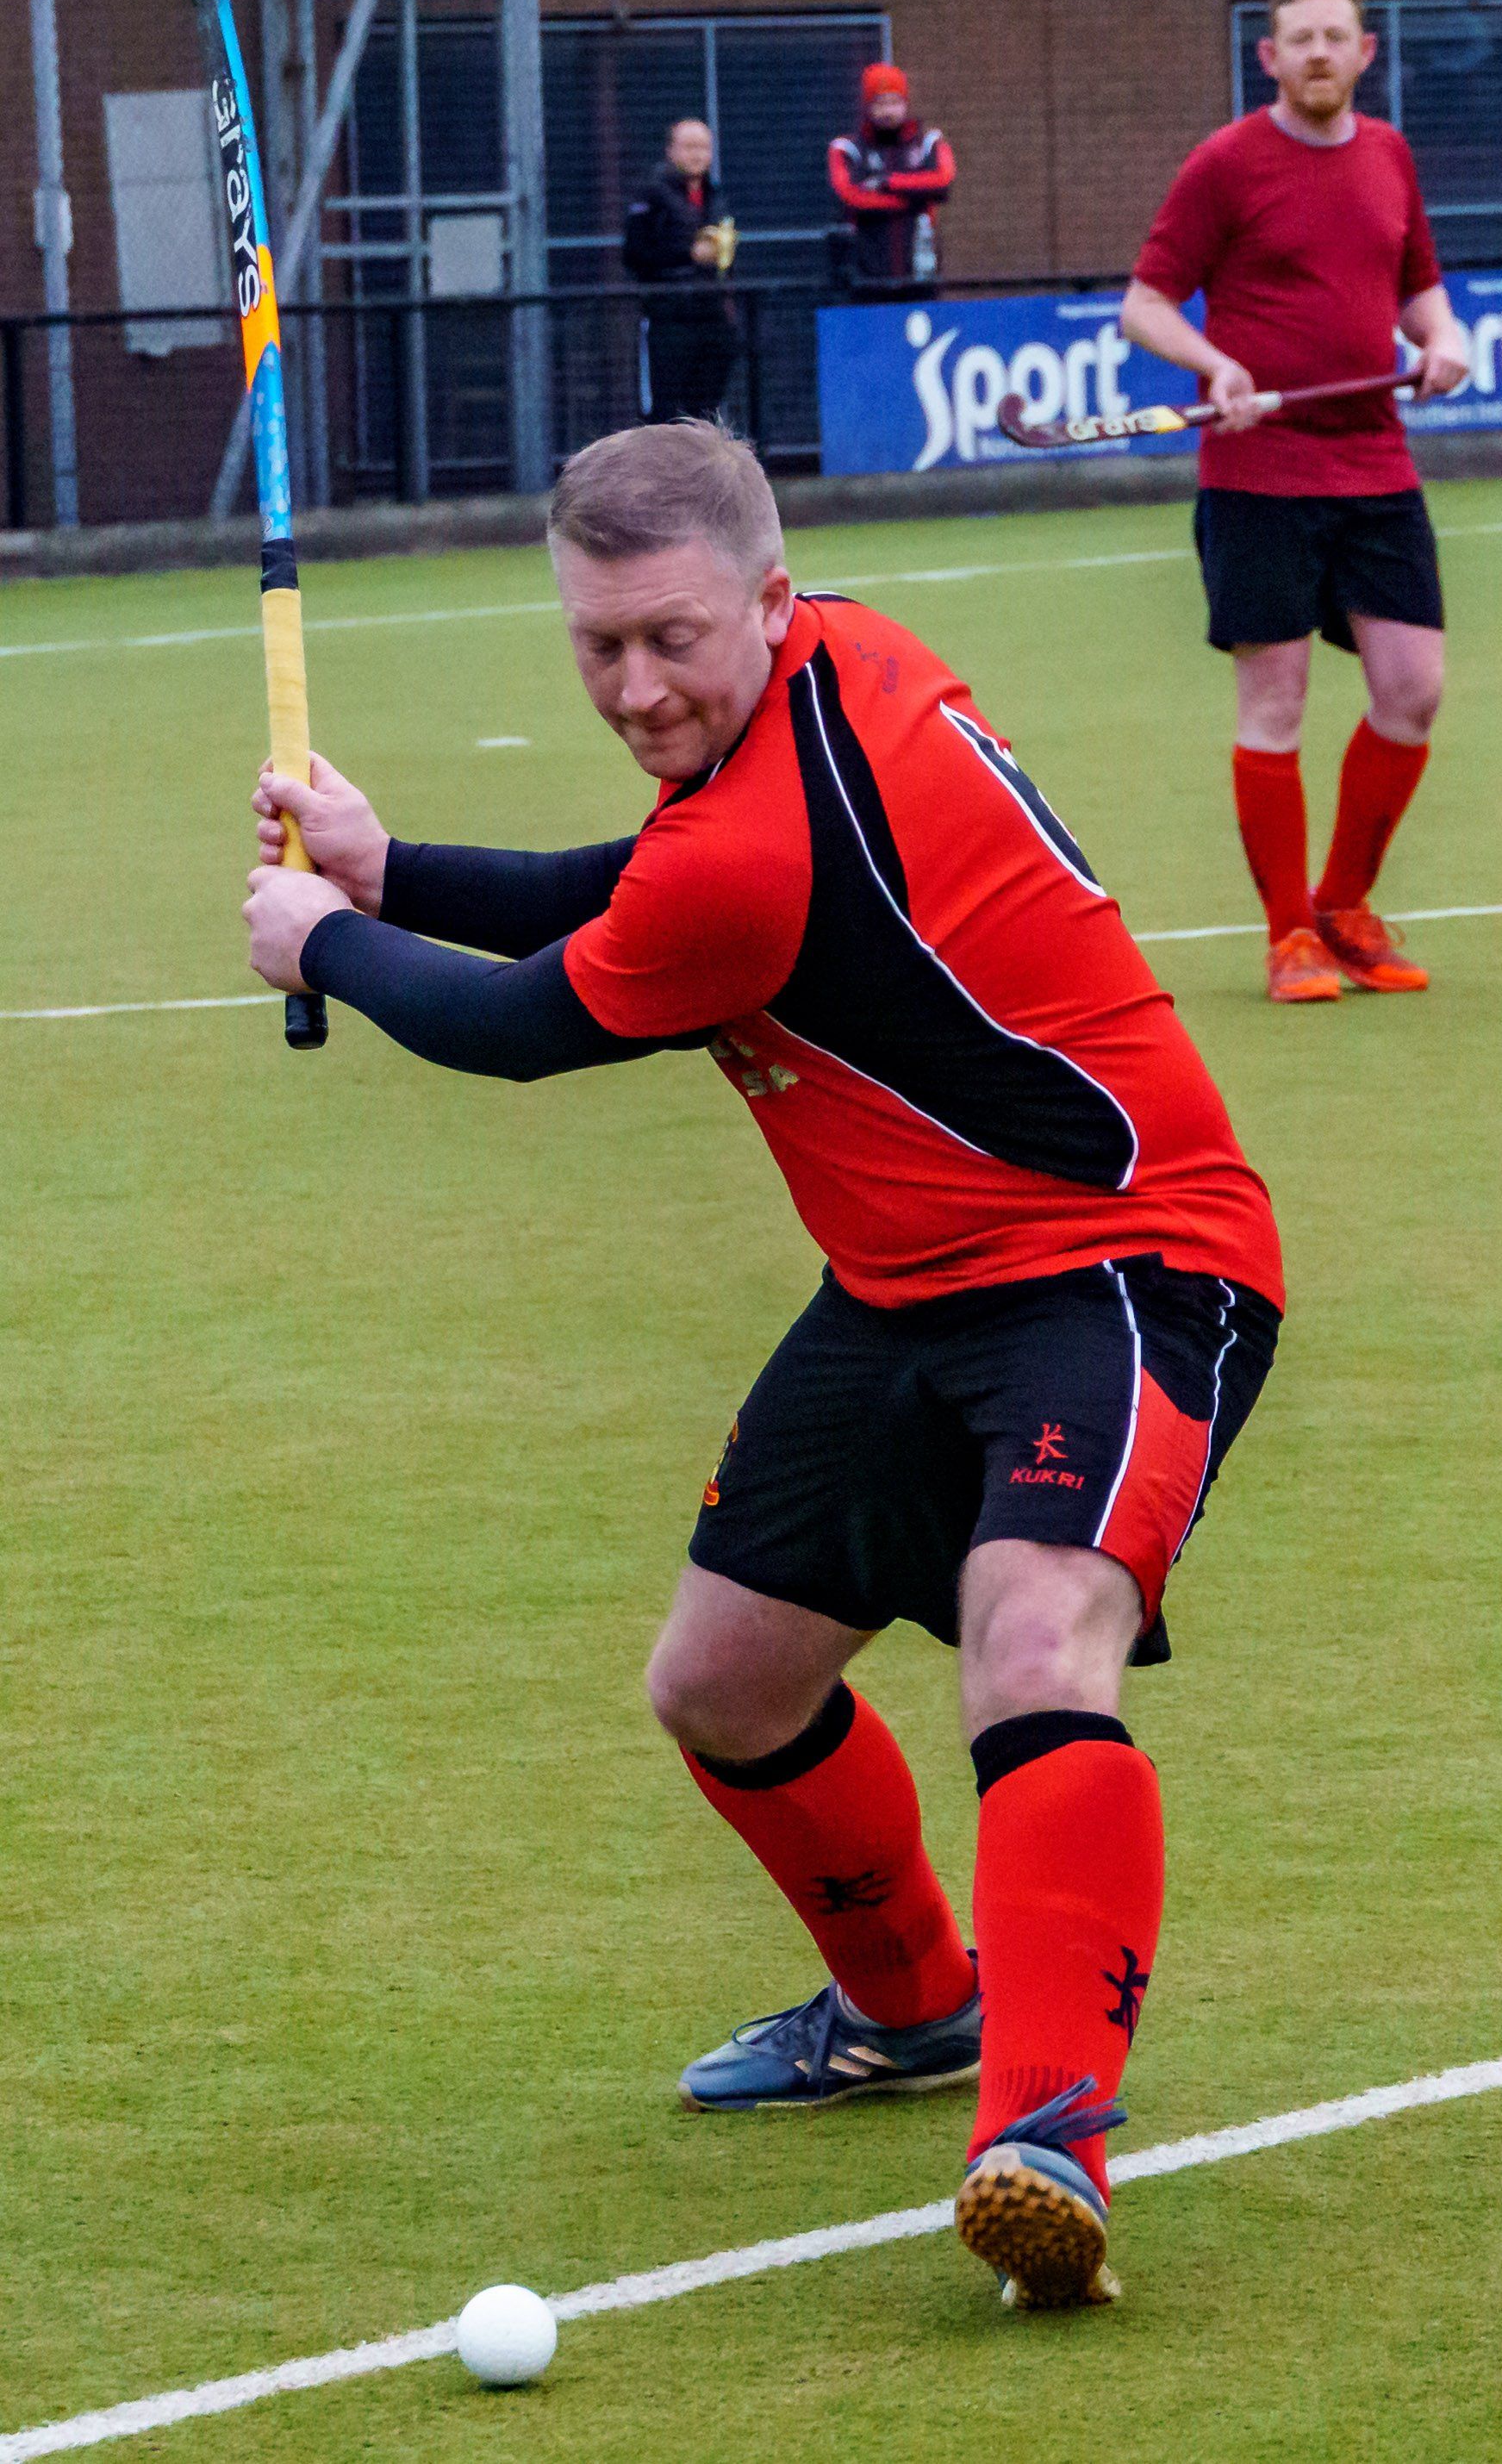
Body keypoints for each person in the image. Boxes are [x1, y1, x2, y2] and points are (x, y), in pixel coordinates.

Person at [243, 420, 1282, 2314]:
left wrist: (327, 939)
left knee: (1031, 1632)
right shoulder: (828, 669)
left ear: (767, 597)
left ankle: (1046, 2134)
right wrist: (398, 871)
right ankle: (912, 2008)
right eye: (597, 644)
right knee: (720, 1683)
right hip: (900, 1277)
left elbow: (524, 1023)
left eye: (671, 639)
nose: (636, 686)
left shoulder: (763, 840)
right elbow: (634, 880)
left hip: (1123, 1255)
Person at [1121, 0, 1468, 1005]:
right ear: (1269, 58)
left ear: (1366, 53)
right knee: (1276, 700)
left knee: (1413, 689)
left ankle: (1343, 908)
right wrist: (1215, 366)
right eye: (1300, 40)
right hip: (1259, 472)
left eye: (1335, 38)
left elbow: (1418, 287)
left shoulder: (1390, 155)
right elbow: (1145, 305)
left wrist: (1443, 339)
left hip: (1374, 463)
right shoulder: (1225, 164)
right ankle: (1289, 938)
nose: (1319, 54)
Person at [623, 118, 739, 423]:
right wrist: (688, 254)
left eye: (703, 147)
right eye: (689, 147)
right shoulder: (650, 195)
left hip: (712, 314)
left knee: (706, 410)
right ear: (671, 151)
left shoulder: (716, 195)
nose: (697, 155)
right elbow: (635, 254)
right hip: (669, 317)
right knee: (666, 411)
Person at [828, 63, 956, 293]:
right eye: (880, 103)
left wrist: (886, 182)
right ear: (868, 106)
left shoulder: (928, 142)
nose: (888, 111)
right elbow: (850, 196)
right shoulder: (847, 148)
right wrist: (916, 200)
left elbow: (943, 180)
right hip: (866, 272)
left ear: (905, 103)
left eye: (895, 102)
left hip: (919, 267)